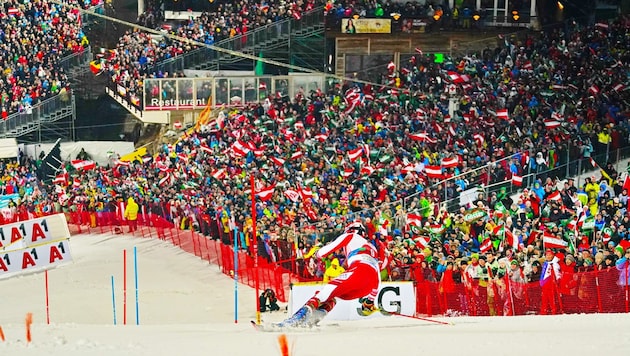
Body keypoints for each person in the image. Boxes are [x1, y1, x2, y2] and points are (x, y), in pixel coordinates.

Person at [276, 221, 381, 327]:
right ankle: (314, 318)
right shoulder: (372, 248)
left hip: (359, 270)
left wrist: (317, 253)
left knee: (325, 293)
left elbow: (324, 252)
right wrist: (370, 301)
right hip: (370, 284)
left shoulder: (350, 236)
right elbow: (378, 277)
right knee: (334, 295)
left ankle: (296, 319)